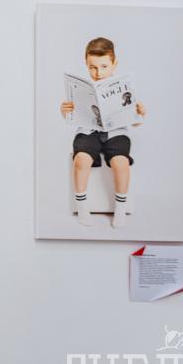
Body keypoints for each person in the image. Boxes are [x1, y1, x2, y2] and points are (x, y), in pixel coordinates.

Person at [60, 37, 147, 228]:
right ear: (86, 64)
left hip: (117, 133)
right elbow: (72, 117)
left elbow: (135, 122)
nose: (98, 73)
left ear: (114, 64)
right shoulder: (82, 88)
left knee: (121, 162)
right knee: (80, 159)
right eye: (92, 67)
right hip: (88, 131)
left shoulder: (124, 87)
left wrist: (140, 114)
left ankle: (120, 207)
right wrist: (65, 111)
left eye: (104, 66)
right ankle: (82, 205)